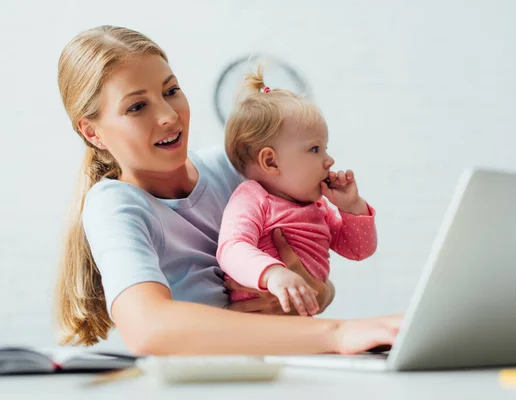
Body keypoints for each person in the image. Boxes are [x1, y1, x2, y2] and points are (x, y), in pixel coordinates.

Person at [54, 25, 400, 355]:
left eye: (171, 91)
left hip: (279, 365)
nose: (168, 116)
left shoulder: (236, 167)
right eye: (137, 106)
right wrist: (337, 334)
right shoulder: (114, 205)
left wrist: (319, 292)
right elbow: (147, 328)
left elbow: (317, 270)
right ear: (93, 132)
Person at [217, 67, 377, 317]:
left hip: (297, 321)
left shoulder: (318, 208)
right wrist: (273, 273)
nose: (329, 160)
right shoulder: (253, 198)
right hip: (256, 324)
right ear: (271, 162)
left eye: (325, 148)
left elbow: (359, 250)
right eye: (315, 149)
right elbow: (232, 247)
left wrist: (351, 207)